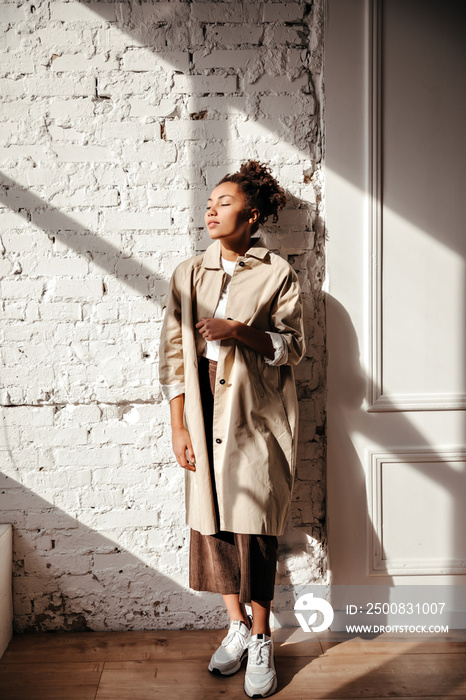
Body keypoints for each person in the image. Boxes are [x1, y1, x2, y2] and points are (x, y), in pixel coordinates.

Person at [159, 160, 305, 698]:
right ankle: (237, 626)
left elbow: (293, 347)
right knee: (213, 521)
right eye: (209, 203)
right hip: (202, 407)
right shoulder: (187, 272)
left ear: (252, 213)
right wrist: (178, 426)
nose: (211, 211)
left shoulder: (277, 273)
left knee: (255, 525)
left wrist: (238, 330)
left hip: (254, 411)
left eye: (223, 203)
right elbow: (173, 354)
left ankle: (263, 636)